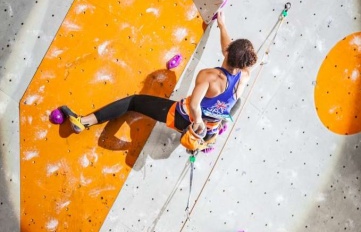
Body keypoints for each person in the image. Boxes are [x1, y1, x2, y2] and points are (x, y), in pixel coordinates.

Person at [60, 10, 257, 153]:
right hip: (209, 127)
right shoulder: (245, 75)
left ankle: (84, 122)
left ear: (228, 54)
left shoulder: (210, 76)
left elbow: (196, 105)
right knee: (235, 102)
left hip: (185, 120)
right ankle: (209, 139)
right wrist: (222, 26)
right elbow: (229, 50)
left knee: (134, 102)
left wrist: (197, 123)